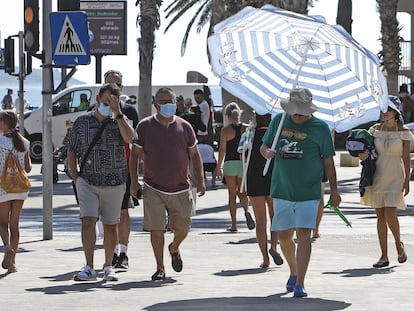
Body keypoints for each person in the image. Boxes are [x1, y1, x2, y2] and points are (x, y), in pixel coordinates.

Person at [260, 88, 341, 297]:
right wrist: (266, 152)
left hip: (309, 191)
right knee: (285, 237)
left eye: (302, 112)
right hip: (282, 189)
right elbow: (264, 146)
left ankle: (301, 283)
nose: (297, 116)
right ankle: (294, 271)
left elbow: (328, 161)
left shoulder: (320, 128)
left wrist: (334, 189)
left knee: (304, 234)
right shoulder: (279, 121)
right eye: (295, 112)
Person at [129, 87, 206, 281]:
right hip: (153, 187)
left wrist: (201, 180)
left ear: (176, 103)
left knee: (183, 228)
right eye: (163, 102)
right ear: (156, 105)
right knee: (157, 229)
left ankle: (174, 247)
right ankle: (160, 267)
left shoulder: (185, 126)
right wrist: (133, 182)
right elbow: (135, 155)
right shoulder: (144, 126)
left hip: (181, 187)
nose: (167, 106)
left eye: (170, 101)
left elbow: (194, 156)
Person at [67, 83, 134, 282]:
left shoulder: (121, 120)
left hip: (115, 182)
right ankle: (89, 266)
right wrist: (75, 176)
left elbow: (131, 138)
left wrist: (118, 114)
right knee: (88, 221)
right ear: (97, 99)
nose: (108, 106)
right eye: (106, 102)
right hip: (87, 181)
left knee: (111, 225)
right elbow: (71, 149)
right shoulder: (82, 122)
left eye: (113, 102)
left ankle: (108, 266)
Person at [358, 96, 413, 268]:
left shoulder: (403, 131)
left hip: (396, 174)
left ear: (396, 112)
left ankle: (398, 245)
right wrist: (362, 155)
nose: (384, 113)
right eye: (382, 109)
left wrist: (407, 180)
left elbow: (405, 156)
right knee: (380, 216)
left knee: (390, 213)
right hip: (377, 173)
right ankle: (383, 255)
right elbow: (364, 149)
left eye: (388, 110)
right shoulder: (374, 129)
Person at [103, 70, 139, 270]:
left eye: (117, 85)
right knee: (107, 215)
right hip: (100, 171)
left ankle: (123, 253)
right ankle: (112, 252)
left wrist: (135, 175)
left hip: (123, 168)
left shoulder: (130, 111)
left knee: (123, 212)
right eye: (109, 85)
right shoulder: (96, 110)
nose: (113, 89)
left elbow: (134, 141)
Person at [244, 112, 283, 268]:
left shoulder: (250, 135)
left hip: (254, 179)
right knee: (275, 218)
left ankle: (265, 258)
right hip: (273, 179)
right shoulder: (275, 135)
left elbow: (243, 155)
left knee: (260, 222)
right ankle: (274, 247)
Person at [0, 110, 32, 273]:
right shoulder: (24, 142)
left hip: (3, 187)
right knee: (15, 225)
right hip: (20, 188)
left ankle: (6, 247)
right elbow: (28, 168)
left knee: (2, 223)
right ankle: (12, 263)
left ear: (3, 123)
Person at [215, 102, 255, 232]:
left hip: (230, 164)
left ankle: (234, 225)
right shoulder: (247, 128)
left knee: (232, 195)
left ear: (227, 115)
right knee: (243, 193)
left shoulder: (225, 130)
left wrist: (218, 167)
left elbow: (222, 149)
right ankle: (246, 211)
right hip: (243, 163)